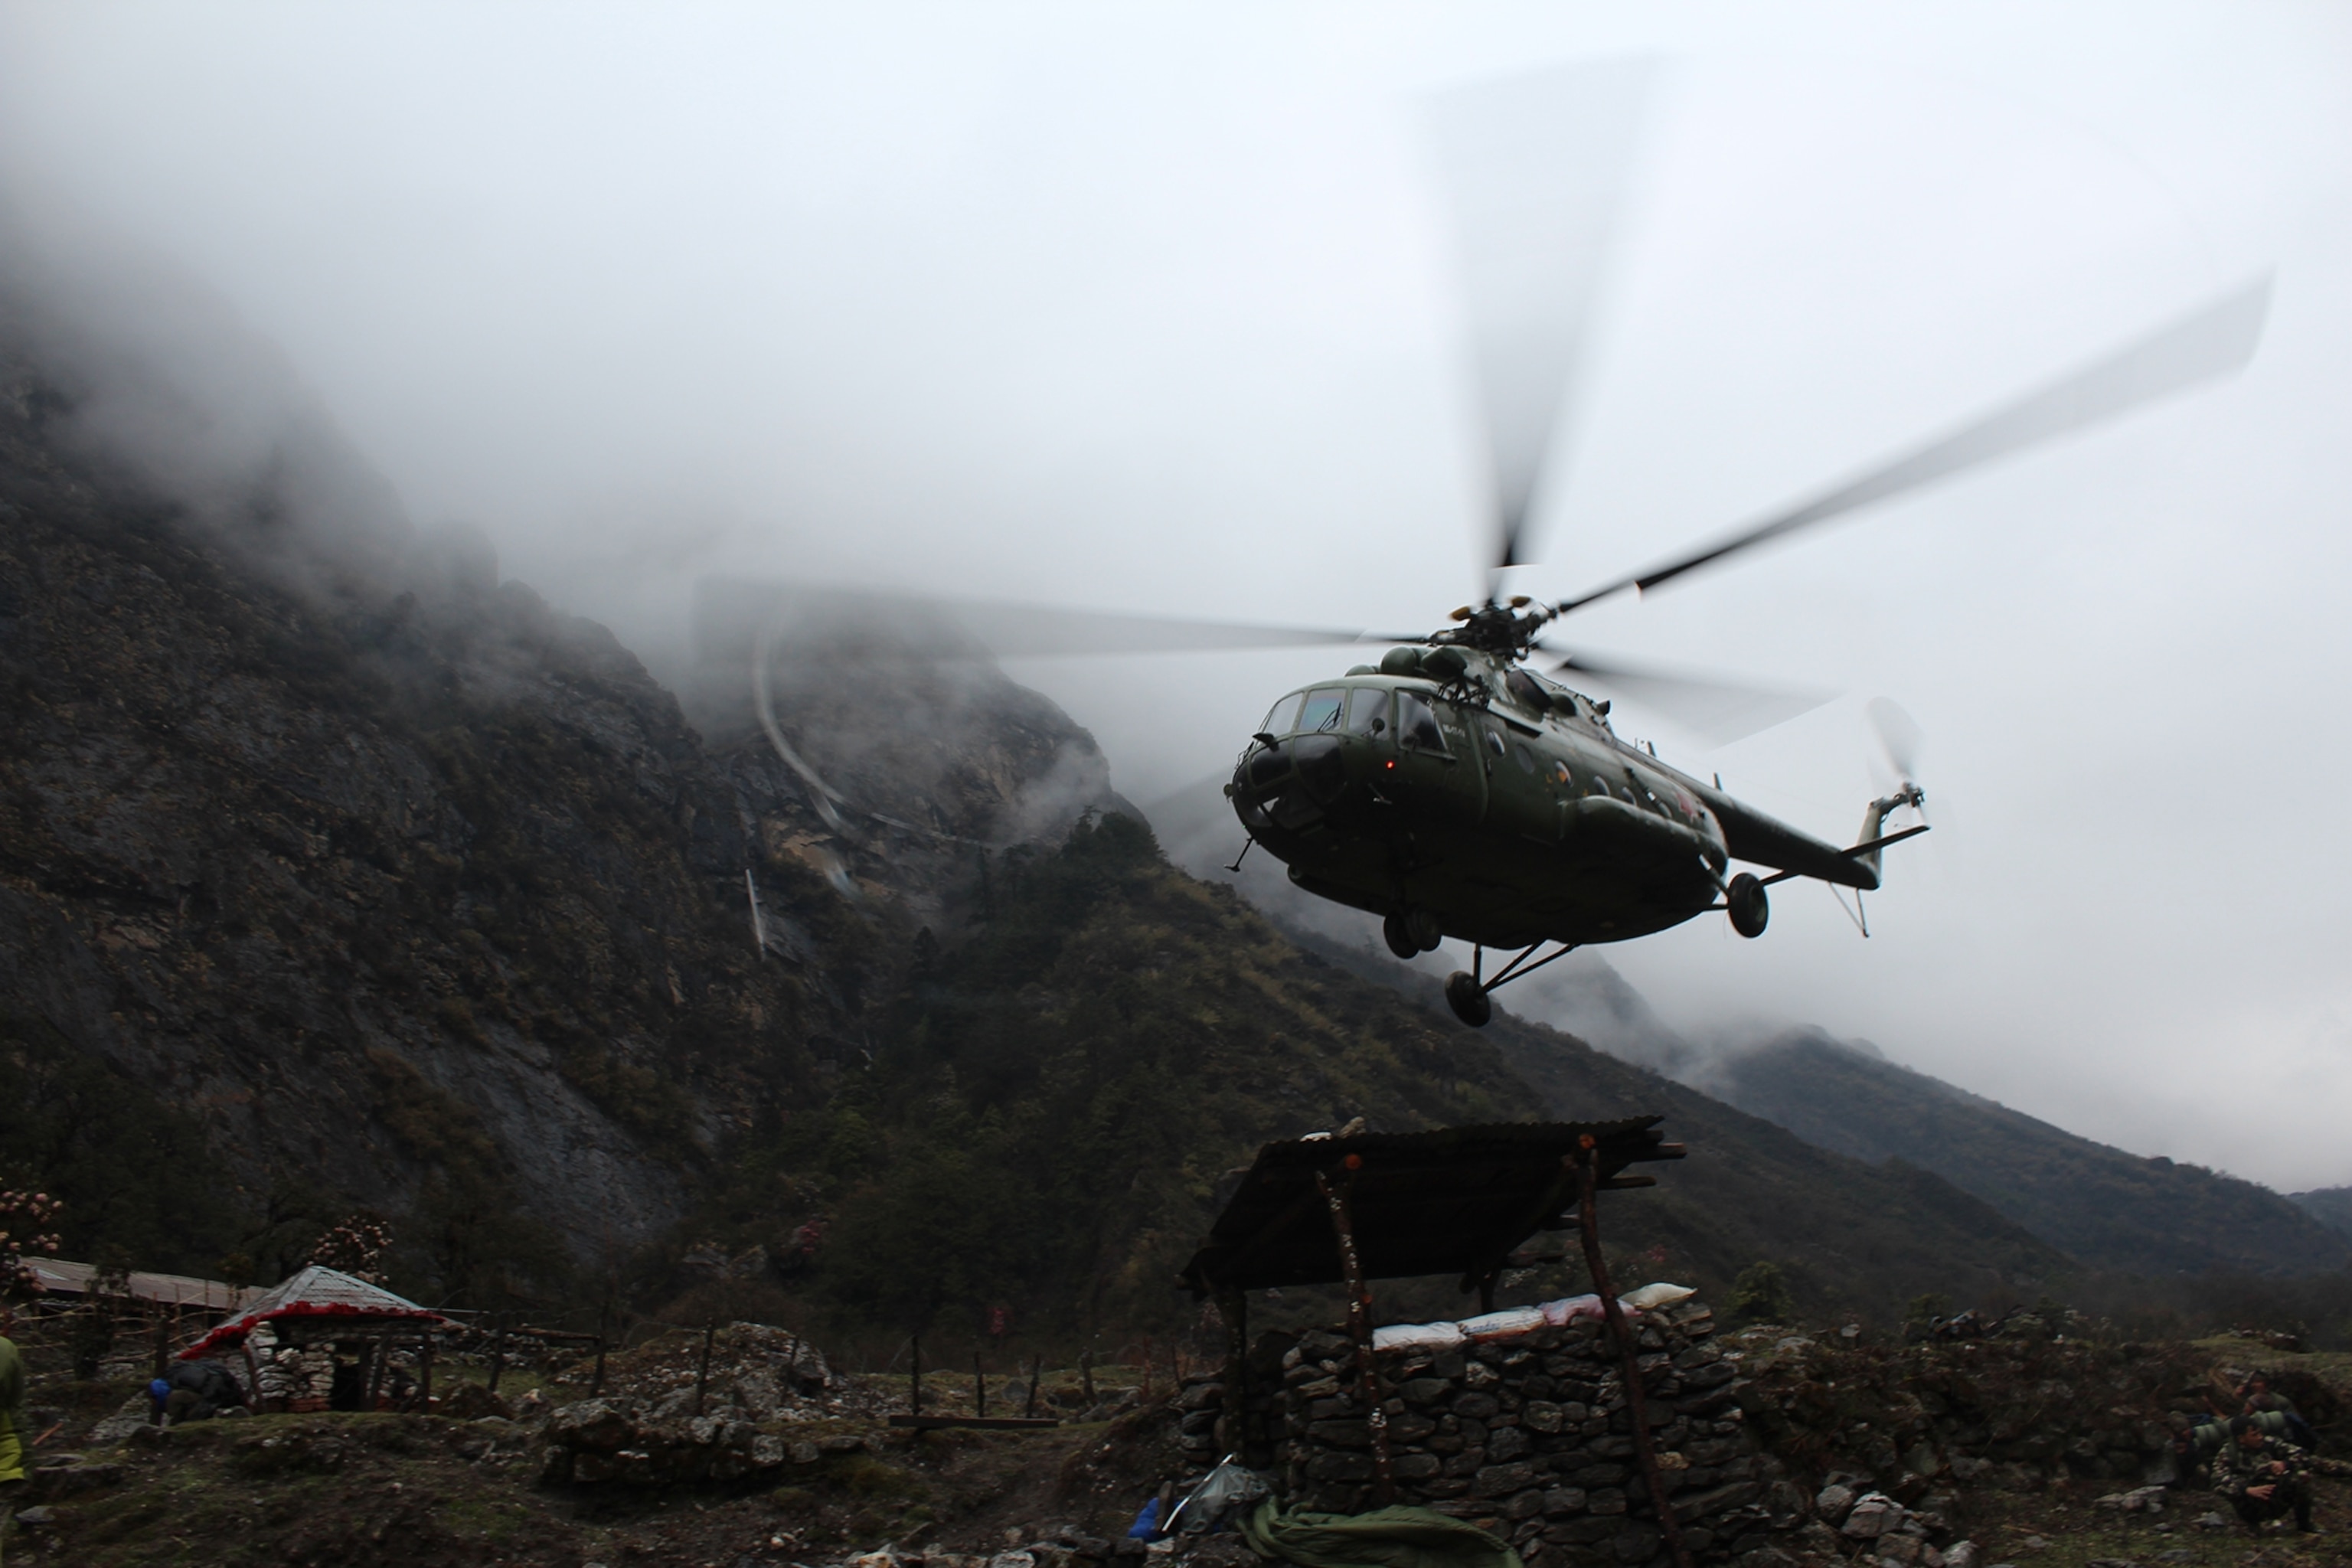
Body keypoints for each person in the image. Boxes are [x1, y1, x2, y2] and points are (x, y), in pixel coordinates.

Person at [2210, 1415, 2315, 1533]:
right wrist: (2245, 1490)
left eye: (2260, 1433)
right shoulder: (2228, 1454)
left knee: (2302, 1477)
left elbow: (2302, 1454)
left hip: (2275, 1495)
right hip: (2250, 1504)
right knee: (2236, 1482)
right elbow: (2217, 1482)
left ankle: (2304, 1525)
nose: (2260, 1437)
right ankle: (2255, 1524)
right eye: (2254, 1435)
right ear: (2241, 1438)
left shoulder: (2269, 1443)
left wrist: (2285, 1464)